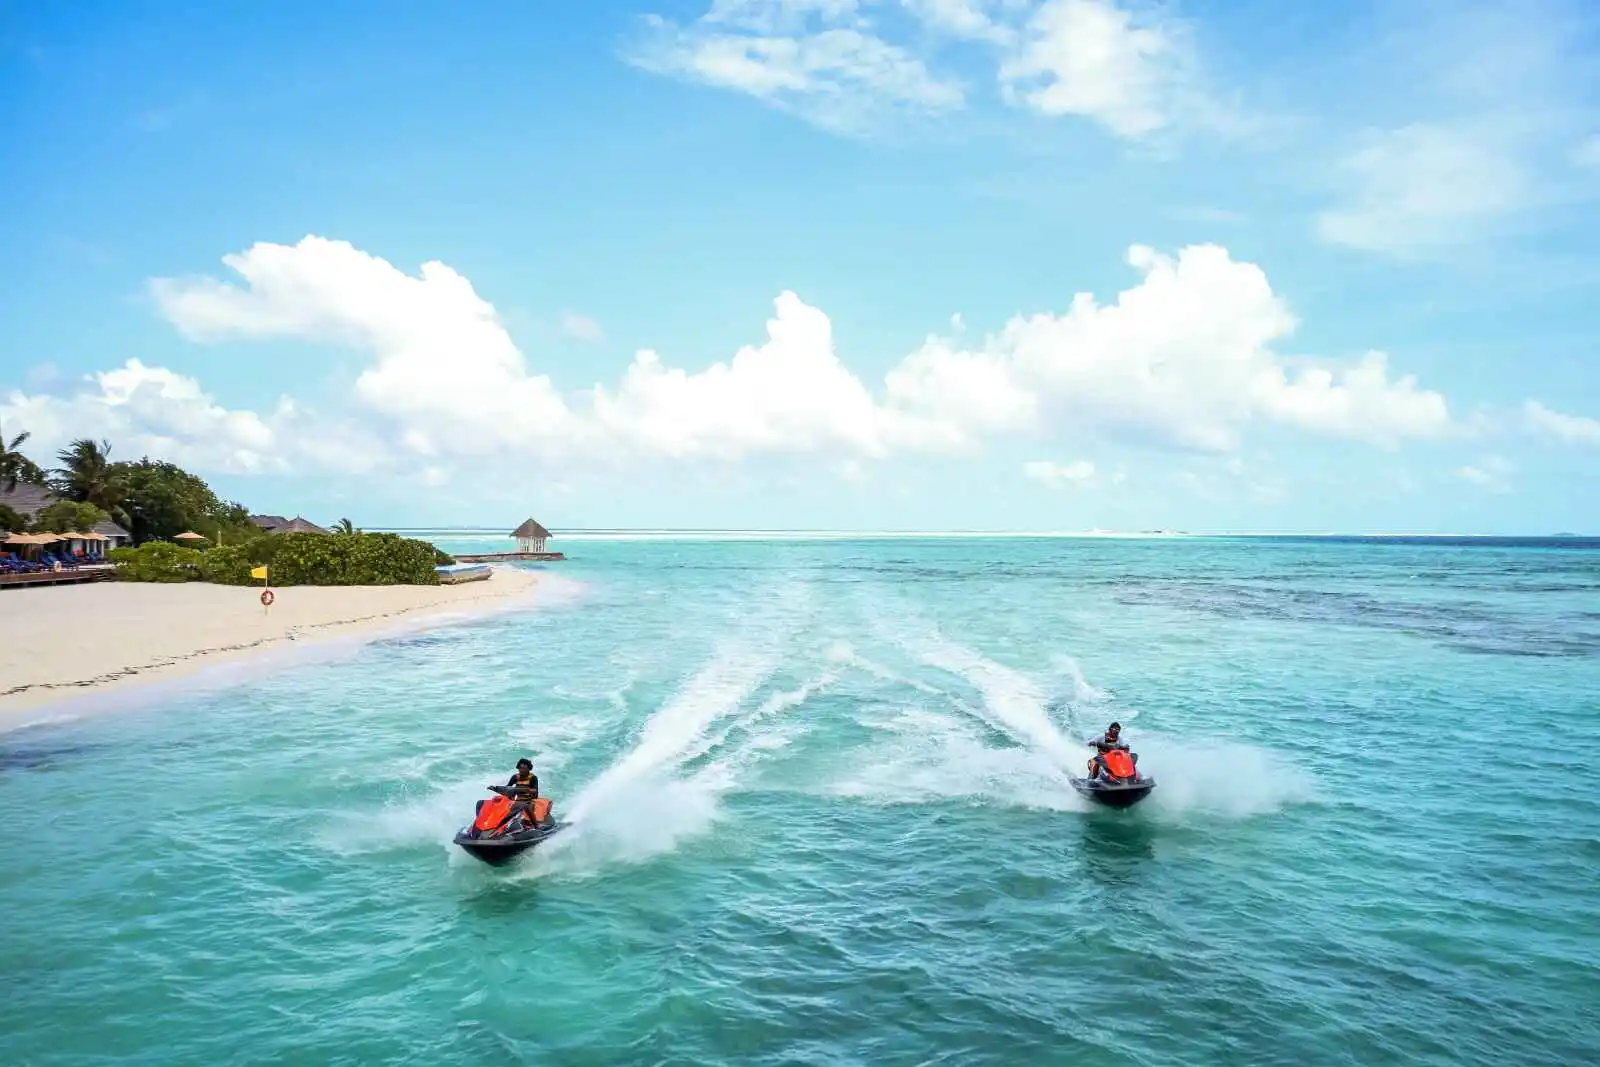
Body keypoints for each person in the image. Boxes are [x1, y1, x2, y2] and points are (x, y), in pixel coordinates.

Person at [505, 757, 544, 828]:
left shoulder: (533, 777)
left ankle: (536, 826)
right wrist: (496, 788)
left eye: (524, 768)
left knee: (526, 806)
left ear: (529, 769)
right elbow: (508, 788)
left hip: (530, 800)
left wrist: (527, 790)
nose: (521, 770)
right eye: (520, 768)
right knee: (509, 810)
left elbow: (535, 790)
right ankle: (505, 826)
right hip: (519, 800)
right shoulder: (515, 777)